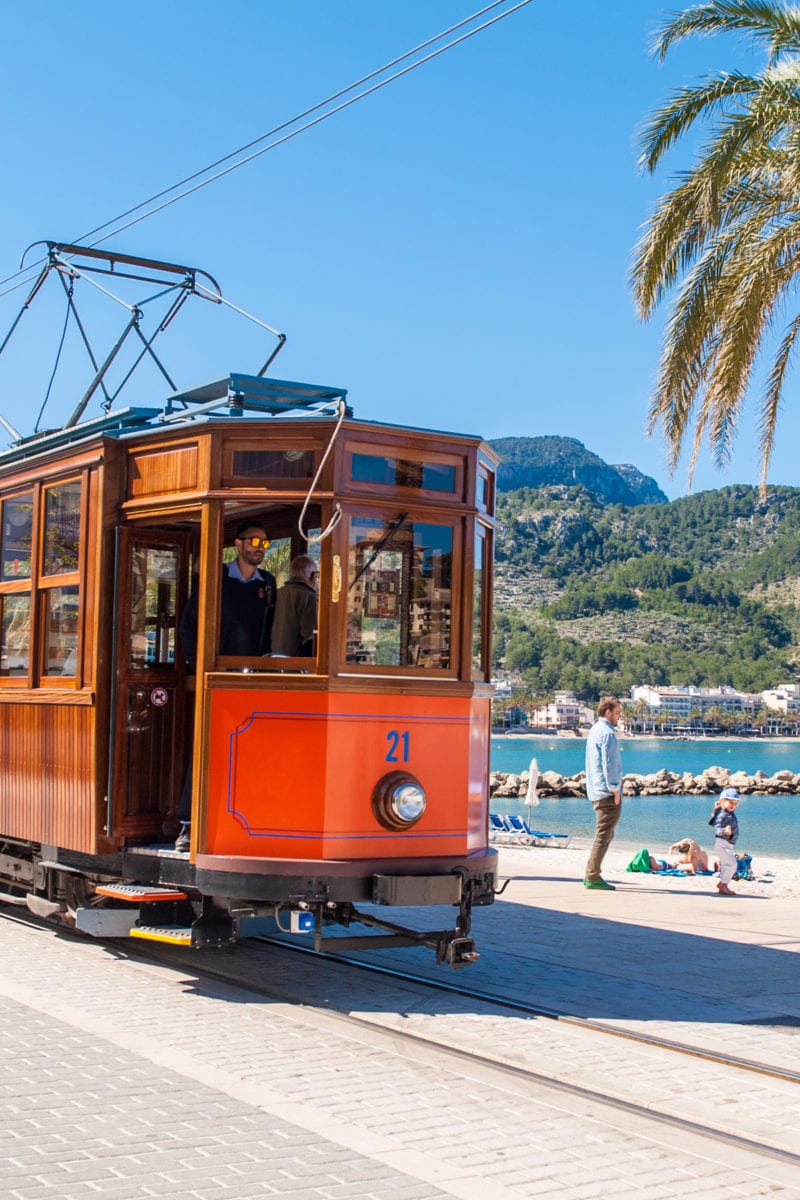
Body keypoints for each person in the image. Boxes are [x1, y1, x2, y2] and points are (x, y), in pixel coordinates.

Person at [174, 520, 277, 852]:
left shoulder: (269, 583)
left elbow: (268, 632)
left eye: (265, 544)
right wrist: (199, 666)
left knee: (247, 751)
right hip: (216, 676)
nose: (260, 549)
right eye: (255, 543)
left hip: (251, 679)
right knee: (206, 747)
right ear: (238, 544)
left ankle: (241, 823)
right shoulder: (216, 578)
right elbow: (189, 625)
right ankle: (188, 826)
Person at [583, 696, 623, 890]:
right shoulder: (607, 733)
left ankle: (592, 873)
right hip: (606, 792)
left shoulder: (594, 730)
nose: (619, 717)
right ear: (608, 712)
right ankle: (592, 876)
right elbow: (609, 764)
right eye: (617, 713)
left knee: (605, 834)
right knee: (603, 835)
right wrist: (615, 788)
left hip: (595, 790)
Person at [271, 554, 318, 657]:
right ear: (311, 575)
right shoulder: (309, 597)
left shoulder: (278, 593)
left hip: (273, 658)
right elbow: (310, 637)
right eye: (316, 575)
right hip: (295, 662)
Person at [709, 786, 740, 896]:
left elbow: (713, 820)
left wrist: (717, 809)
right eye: (730, 802)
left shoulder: (726, 813)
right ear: (722, 801)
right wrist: (724, 831)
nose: (733, 805)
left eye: (735, 803)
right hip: (722, 843)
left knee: (729, 865)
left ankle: (723, 884)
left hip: (727, 844)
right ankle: (723, 885)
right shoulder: (723, 815)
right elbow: (717, 828)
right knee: (731, 864)